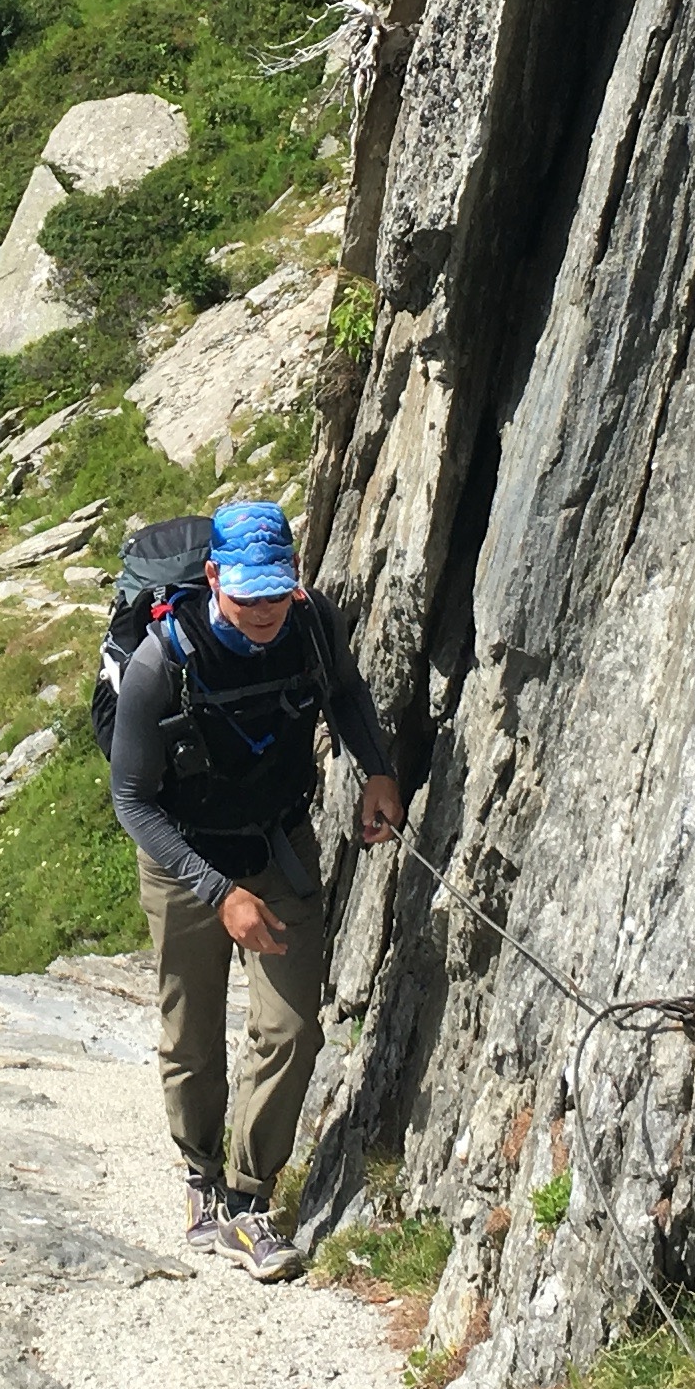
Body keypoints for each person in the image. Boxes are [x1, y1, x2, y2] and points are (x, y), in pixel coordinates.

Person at [104, 497, 403, 1280]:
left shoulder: (311, 624)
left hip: (277, 843)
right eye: (247, 596)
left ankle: (247, 1198)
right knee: (192, 1031)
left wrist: (376, 769)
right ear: (213, 578)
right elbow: (132, 801)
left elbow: (345, 692)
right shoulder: (160, 664)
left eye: (276, 591)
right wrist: (219, 893)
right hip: (183, 856)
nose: (265, 610)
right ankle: (199, 1174)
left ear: (293, 578)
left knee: (292, 1027)